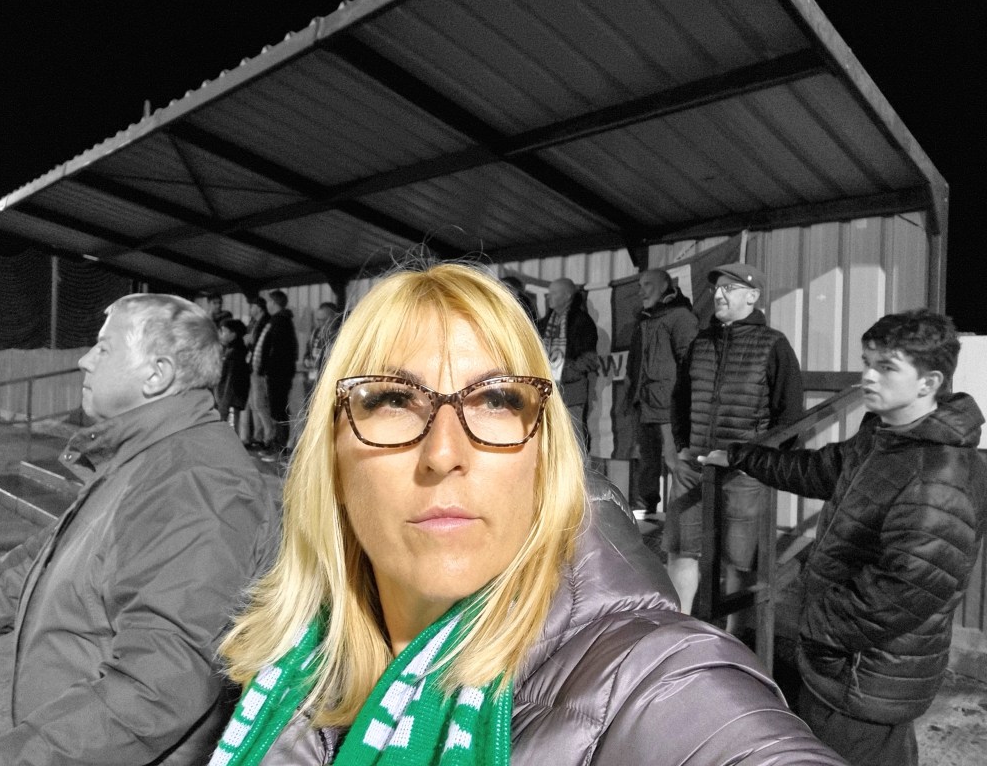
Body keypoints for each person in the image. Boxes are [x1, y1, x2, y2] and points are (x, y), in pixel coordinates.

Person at [209, 262, 846, 765]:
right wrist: (683, 441)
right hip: (692, 453)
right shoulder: (284, 666)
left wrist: (749, 453)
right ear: (330, 456)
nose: (444, 453)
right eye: (393, 400)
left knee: (733, 563)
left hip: (740, 466)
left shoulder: (650, 678)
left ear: (545, 455)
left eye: (495, 400)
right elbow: (682, 392)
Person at [0, 294, 278, 765]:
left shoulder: (193, 483)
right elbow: (34, 566)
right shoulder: (147, 459)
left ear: (157, 375)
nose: (84, 359)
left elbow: (157, 687)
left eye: (104, 347)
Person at [700, 309, 987, 766]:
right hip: (849, 665)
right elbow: (818, 469)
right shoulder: (886, 438)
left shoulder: (938, 476)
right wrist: (741, 457)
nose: (868, 377)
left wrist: (817, 625)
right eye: (867, 363)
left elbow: (904, 592)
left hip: (865, 676)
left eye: (886, 367)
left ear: (928, 382)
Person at [668, 262, 803, 621]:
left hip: (742, 475)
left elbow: (790, 416)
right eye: (717, 288)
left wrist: (757, 461)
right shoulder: (700, 343)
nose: (719, 295)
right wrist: (682, 445)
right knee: (681, 550)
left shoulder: (773, 345)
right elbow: (679, 399)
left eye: (729, 288)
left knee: (738, 561)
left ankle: (729, 640)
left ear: (753, 296)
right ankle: (679, 629)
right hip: (694, 469)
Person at [623, 268, 697, 515]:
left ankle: (686, 517)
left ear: (665, 285)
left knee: (676, 462)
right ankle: (646, 511)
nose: (641, 291)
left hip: (668, 405)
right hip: (644, 403)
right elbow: (635, 362)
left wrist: (683, 402)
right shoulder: (643, 319)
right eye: (640, 285)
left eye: (647, 284)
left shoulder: (681, 316)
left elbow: (691, 362)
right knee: (646, 461)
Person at [538, 277, 599, 449]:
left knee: (574, 437)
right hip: (547, 390)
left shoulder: (582, 322)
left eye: (554, 293)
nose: (549, 297)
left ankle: (578, 467)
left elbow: (590, 358)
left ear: (567, 296)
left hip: (572, 390)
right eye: (549, 293)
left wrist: (566, 372)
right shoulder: (543, 324)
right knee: (548, 439)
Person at [258, 289, 299, 461]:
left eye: (268, 302)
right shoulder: (277, 321)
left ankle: (280, 449)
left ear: (274, 303)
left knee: (279, 411)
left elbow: (278, 351)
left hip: (279, 374)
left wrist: (268, 368)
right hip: (277, 373)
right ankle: (277, 445)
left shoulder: (281, 322)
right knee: (276, 409)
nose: (267, 305)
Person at [244, 296, 273, 449]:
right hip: (253, 367)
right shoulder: (254, 323)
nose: (250, 309)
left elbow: (263, 345)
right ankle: (258, 436)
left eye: (252, 306)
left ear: (259, 307)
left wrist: (250, 340)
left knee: (259, 404)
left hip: (260, 369)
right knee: (254, 404)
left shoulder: (265, 323)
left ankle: (268, 436)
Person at [301, 301, 340, 403]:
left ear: (334, 318)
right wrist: (307, 361)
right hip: (311, 379)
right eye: (318, 320)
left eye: (324, 320)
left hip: (328, 382)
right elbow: (308, 352)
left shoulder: (339, 335)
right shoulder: (315, 332)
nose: (320, 323)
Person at [217, 317, 251, 429]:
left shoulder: (234, 353)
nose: (221, 335)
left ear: (233, 334)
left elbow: (230, 380)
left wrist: (224, 402)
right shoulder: (236, 350)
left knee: (230, 428)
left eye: (224, 331)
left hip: (231, 399)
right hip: (233, 399)